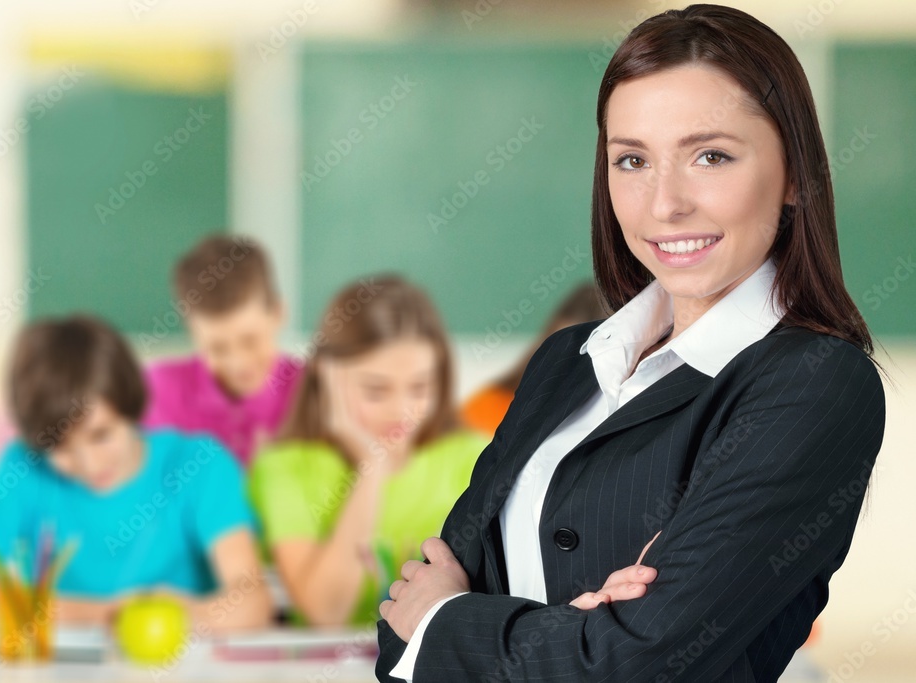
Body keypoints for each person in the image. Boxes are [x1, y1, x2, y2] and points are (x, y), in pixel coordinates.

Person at [376, 5, 888, 681]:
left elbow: (633, 662)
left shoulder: (817, 383)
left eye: (710, 155)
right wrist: (574, 629)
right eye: (632, 160)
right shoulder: (569, 360)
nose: (664, 203)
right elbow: (398, 628)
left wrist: (451, 621)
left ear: (795, 175)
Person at [0, 315, 274, 633]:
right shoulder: (23, 468)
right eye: (60, 448)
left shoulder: (200, 465)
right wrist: (104, 615)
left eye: (101, 435)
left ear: (129, 404)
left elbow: (252, 601)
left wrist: (190, 615)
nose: (89, 464)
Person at [249, 275, 489, 627]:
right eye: (376, 390)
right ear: (327, 378)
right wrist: (371, 469)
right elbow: (327, 613)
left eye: (420, 387)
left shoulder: (476, 458)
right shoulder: (285, 469)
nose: (402, 410)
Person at [143, 234, 302, 466]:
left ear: (278, 313)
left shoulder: (312, 391)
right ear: (193, 334)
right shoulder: (159, 395)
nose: (238, 362)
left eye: (250, 340)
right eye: (217, 348)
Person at [461, 282, 608, 437]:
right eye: (557, 345)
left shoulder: (603, 420)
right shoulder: (489, 406)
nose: (562, 363)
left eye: (580, 354)